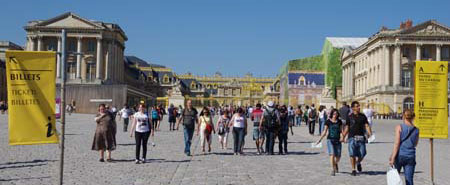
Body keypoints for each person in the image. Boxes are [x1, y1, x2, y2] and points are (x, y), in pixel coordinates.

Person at [342, 101, 373, 176]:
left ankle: (358, 162)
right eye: (357, 106)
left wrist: (370, 133)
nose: (359, 107)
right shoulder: (349, 117)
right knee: (352, 153)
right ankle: (353, 169)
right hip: (352, 137)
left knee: (363, 153)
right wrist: (343, 136)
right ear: (353, 108)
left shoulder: (363, 116)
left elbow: (366, 125)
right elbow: (347, 127)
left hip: (361, 137)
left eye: (359, 106)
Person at [389, 109, 419, 185]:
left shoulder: (399, 127)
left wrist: (392, 157)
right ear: (413, 117)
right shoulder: (416, 130)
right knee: (409, 180)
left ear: (403, 116)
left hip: (400, 155)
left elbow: (397, 143)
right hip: (410, 156)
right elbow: (415, 144)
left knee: (395, 179)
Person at [316, 109, 343, 176]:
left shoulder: (339, 121)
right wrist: (319, 139)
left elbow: (341, 131)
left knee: (338, 156)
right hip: (330, 140)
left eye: (336, 114)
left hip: (338, 140)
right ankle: (333, 169)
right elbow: (325, 131)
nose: (335, 115)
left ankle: (335, 163)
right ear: (331, 114)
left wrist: (342, 137)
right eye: (333, 114)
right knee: (332, 154)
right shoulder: (328, 121)